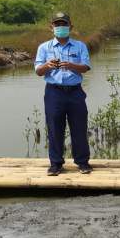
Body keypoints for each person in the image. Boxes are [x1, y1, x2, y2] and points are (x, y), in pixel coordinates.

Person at [34, 12, 93, 176]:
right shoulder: (44, 47)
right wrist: (47, 65)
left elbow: (86, 67)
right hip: (54, 92)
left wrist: (72, 65)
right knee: (54, 128)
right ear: (51, 27)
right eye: (57, 24)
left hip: (75, 92)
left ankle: (82, 162)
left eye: (64, 24)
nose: (61, 27)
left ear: (70, 27)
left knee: (79, 128)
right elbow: (38, 71)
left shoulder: (80, 46)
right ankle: (55, 164)